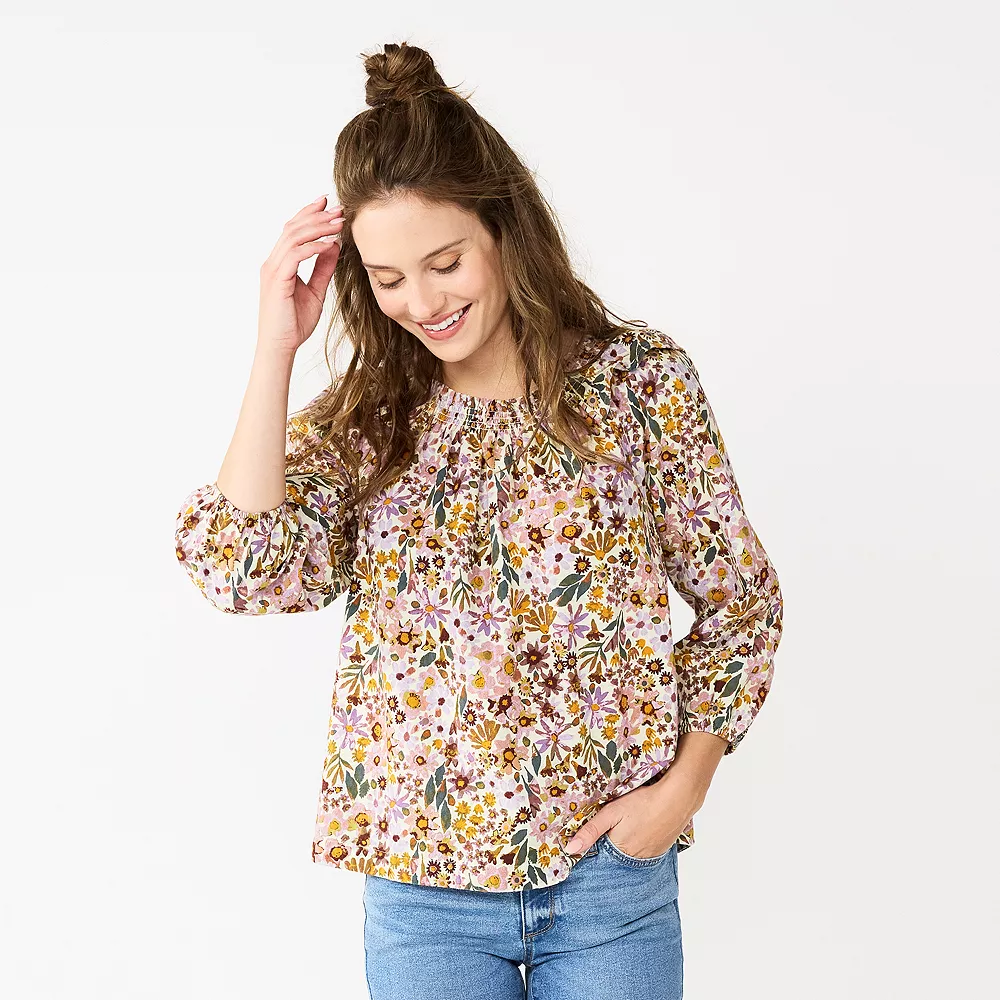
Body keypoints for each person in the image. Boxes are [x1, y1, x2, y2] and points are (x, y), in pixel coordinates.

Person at [174, 40, 784, 1000]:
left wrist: (683, 789)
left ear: (504, 227)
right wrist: (274, 347)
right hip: (425, 900)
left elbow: (740, 603)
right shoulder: (371, 419)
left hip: (609, 884)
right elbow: (242, 570)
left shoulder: (637, 384)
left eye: (445, 262)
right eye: (387, 278)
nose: (422, 302)